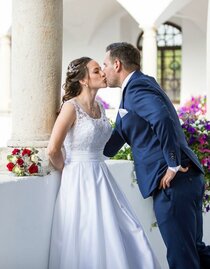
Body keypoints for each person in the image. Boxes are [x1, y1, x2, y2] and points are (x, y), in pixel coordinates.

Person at [103, 42, 210, 269]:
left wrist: (172, 164)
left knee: (182, 258)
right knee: (195, 252)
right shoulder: (139, 86)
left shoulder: (136, 89)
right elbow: (119, 136)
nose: (104, 71)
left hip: (173, 181)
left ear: (117, 64)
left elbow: (161, 118)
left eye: (105, 65)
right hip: (185, 180)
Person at [47, 56, 161, 269]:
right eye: (96, 70)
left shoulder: (99, 106)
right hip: (78, 179)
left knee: (123, 229)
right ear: (83, 80)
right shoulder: (71, 108)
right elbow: (53, 149)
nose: (102, 73)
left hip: (102, 176)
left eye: (101, 69)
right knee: (87, 235)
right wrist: (69, 170)